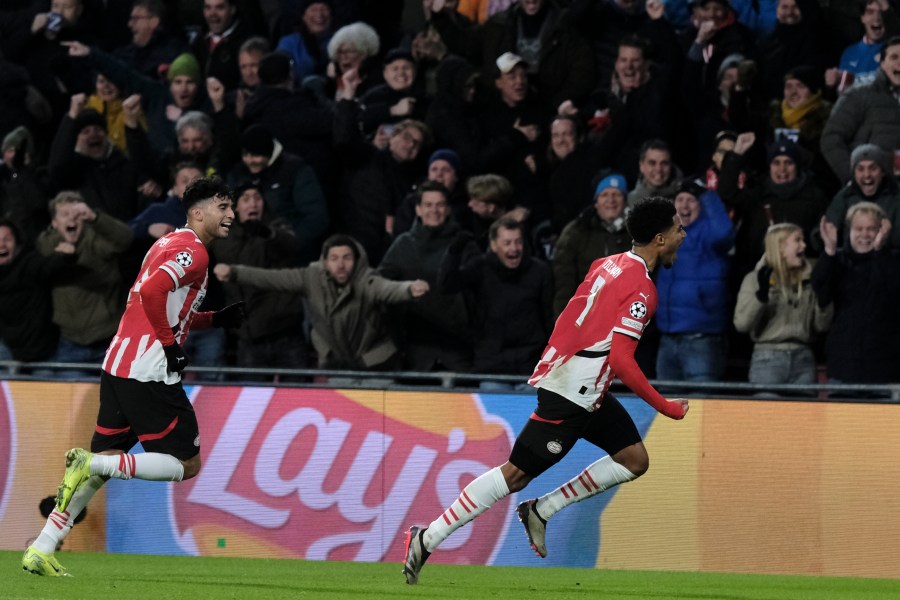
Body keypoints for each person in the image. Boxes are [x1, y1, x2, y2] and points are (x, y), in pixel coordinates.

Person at [401, 196, 689, 585]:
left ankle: (542, 509)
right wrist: (665, 407)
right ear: (659, 238)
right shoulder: (642, 290)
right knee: (515, 474)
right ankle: (427, 537)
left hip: (583, 384)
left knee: (634, 459)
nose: (682, 236)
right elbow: (622, 359)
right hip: (573, 391)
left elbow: (574, 318)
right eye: (677, 229)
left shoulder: (607, 263)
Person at [22, 177, 245, 576]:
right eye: (223, 206)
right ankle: (92, 465)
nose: (231, 214)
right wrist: (171, 347)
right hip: (149, 370)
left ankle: (43, 546)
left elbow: (155, 299)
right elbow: (153, 294)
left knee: (105, 458)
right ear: (198, 212)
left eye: (232, 207)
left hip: (118, 364)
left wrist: (214, 320)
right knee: (185, 463)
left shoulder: (166, 243)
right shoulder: (195, 253)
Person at [215, 234, 430, 372]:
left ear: (356, 261)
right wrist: (235, 273)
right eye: (334, 258)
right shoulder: (311, 277)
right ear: (325, 261)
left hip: (376, 365)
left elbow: (388, 289)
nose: (341, 265)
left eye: (347, 258)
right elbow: (271, 278)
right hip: (337, 365)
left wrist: (409, 289)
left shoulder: (366, 279)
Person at [438, 217, 554, 389]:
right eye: (507, 243)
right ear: (493, 246)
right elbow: (446, 285)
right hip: (492, 367)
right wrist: (454, 251)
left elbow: (549, 317)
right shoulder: (480, 267)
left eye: (518, 242)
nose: (514, 249)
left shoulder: (539, 271)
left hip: (530, 367)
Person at [733, 222, 832, 389]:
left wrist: (823, 303)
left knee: (804, 415)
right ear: (780, 247)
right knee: (768, 415)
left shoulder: (810, 280)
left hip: (804, 358)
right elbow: (742, 324)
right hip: (768, 360)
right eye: (797, 240)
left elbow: (821, 327)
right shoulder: (754, 280)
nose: (804, 245)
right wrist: (761, 297)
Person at [812, 202, 900, 388]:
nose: (864, 234)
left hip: (884, 367)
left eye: (871, 229)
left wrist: (878, 250)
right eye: (858, 228)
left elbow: (890, 288)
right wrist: (829, 251)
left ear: (882, 230)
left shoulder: (891, 261)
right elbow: (821, 293)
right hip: (844, 364)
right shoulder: (838, 260)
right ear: (849, 230)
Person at [655, 179, 734, 383]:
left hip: (701, 339)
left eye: (691, 200)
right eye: (680, 199)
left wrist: (707, 195)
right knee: (666, 409)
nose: (685, 205)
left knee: (702, 407)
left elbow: (724, 232)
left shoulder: (709, 232)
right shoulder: (664, 236)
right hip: (667, 338)